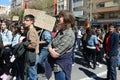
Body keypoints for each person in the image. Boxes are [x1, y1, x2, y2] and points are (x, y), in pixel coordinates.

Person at [45, 10, 75, 80]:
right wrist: (51, 49)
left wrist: (51, 50)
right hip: (56, 64)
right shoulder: (61, 32)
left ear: (67, 19)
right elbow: (50, 43)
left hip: (62, 66)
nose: (58, 18)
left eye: (61, 16)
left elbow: (56, 54)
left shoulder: (69, 34)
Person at [23, 14, 39, 80]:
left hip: (32, 55)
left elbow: (33, 46)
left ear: (32, 21)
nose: (24, 22)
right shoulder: (31, 30)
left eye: (27, 20)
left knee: (32, 75)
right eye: (24, 20)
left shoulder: (31, 31)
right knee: (32, 74)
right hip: (32, 55)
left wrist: (23, 44)